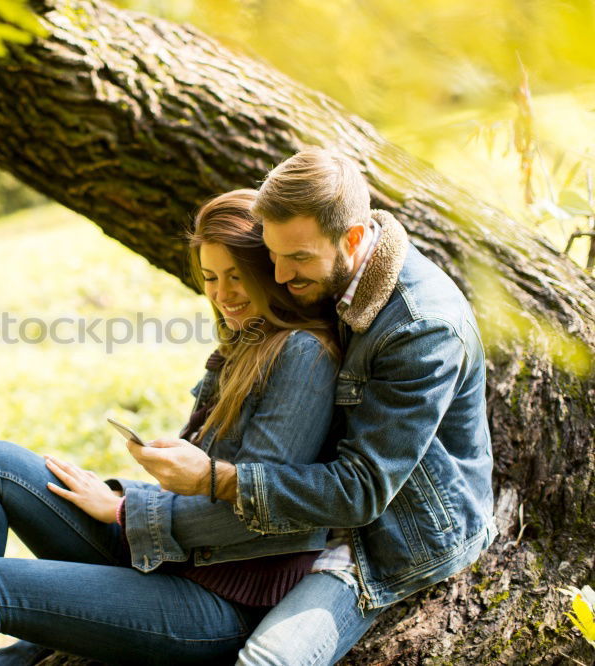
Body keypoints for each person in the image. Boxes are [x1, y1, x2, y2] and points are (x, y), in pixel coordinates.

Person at [0, 190, 342, 665]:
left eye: (237, 276)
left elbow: (257, 510)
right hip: (178, 559)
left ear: (269, 269)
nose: (221, 294)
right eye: (211, 277)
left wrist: (124, 510)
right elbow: (201, 487)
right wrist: (132, 492)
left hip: (222, 603)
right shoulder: (245, 346)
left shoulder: (301, 356)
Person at [128, 148, 497, 665]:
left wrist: (217, 479)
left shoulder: (422, 328)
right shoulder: (334, 274)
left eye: (297, 259)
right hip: (313, 511)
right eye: (273, 255)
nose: (279, 276)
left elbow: (363, 490)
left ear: (352, 238)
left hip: (394, 533)